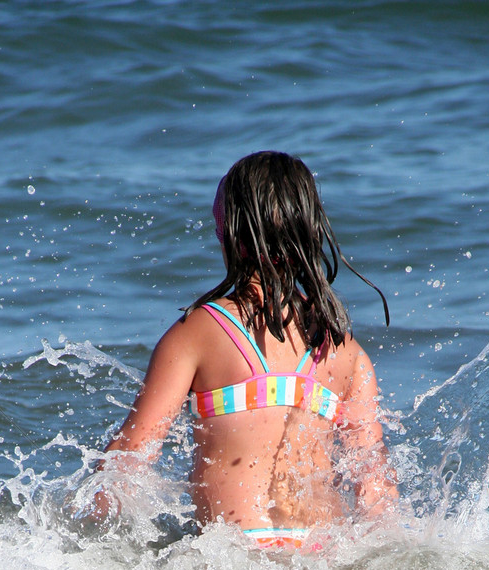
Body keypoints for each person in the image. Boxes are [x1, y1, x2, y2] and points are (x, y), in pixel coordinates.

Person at [95, 151, 396, 549]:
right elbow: (376, 492)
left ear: (228, 231)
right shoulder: (345, 351)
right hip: (321, 557)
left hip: (237, 560)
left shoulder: (197, 332)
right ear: (310, 229)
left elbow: (131, 456)